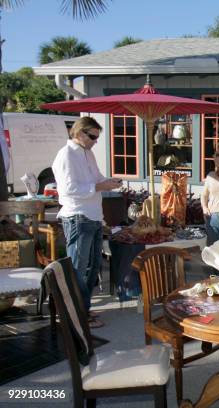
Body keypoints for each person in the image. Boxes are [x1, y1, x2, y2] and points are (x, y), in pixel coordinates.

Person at [52, 117, 122, 328]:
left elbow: (97, 179)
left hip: (92, 217)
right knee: (77, 269)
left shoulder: (87, 153)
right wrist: (101, 187)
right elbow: (68, 190)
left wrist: (109, 183)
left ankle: (83, 310)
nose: (94, 141)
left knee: (92, 269)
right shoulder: (66, 155)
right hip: (77, 217)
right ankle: (72, 315)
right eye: (92, 136)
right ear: (79, 133)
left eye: (97, 137)